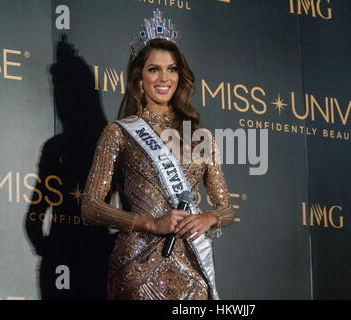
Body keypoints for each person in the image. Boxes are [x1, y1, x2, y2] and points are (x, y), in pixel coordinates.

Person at [81, 9, 235, 300]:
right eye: (154, 69)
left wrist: (208, 219)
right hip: (136, 265)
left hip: (192, 266)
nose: (164, 78)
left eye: (172, 69)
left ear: (181, 75)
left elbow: (226, 208)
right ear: (140, 78)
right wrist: (150, 223)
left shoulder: (201, 138)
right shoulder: (119, 132)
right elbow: (89, 206)